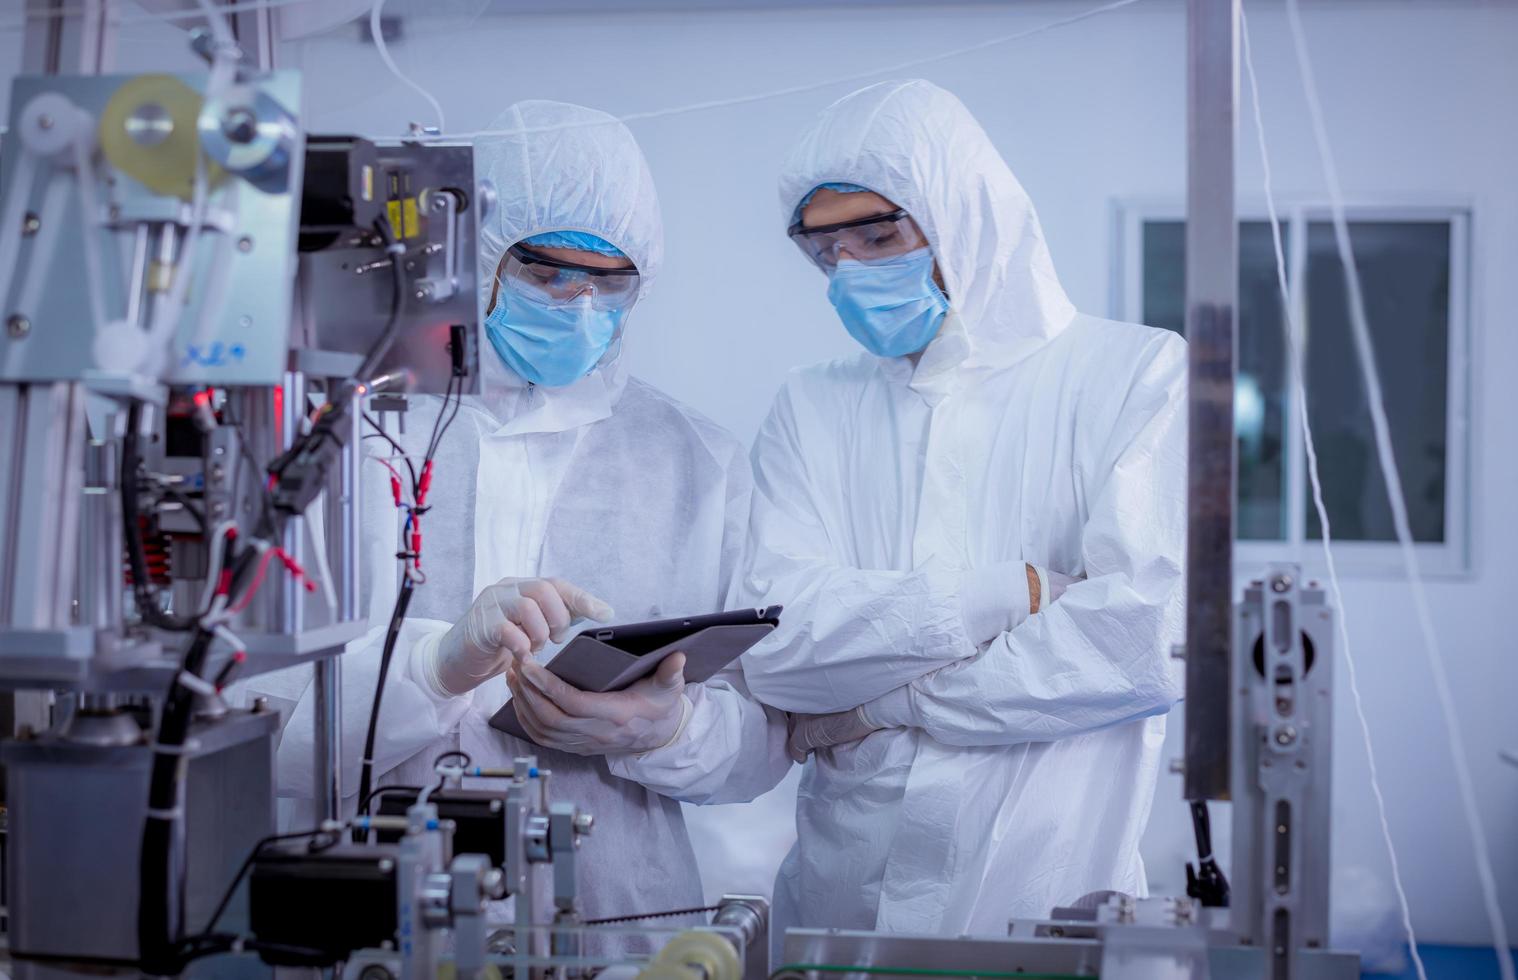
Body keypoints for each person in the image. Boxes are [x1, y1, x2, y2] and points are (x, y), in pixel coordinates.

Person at [250, 100, 789, 924]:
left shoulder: (695, 461)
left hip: (616, 921)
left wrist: (667, 730)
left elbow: (762, 746)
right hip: (371, 914)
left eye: (610, 284)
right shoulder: (346, 434)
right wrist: (432, 671)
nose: (578, 307)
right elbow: (260, 723)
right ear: (479, 256)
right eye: (546, 274)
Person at [740, 79, 1188, 942]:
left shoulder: (1131, 377)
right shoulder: (812, 408)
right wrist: (1012, 594)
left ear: (965, 213)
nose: (853, 270)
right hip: (840, 900)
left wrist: (876, 705)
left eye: (881, 234)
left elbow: (1136, 643)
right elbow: (778, 650)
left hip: (1045, 900)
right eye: (826, 250)